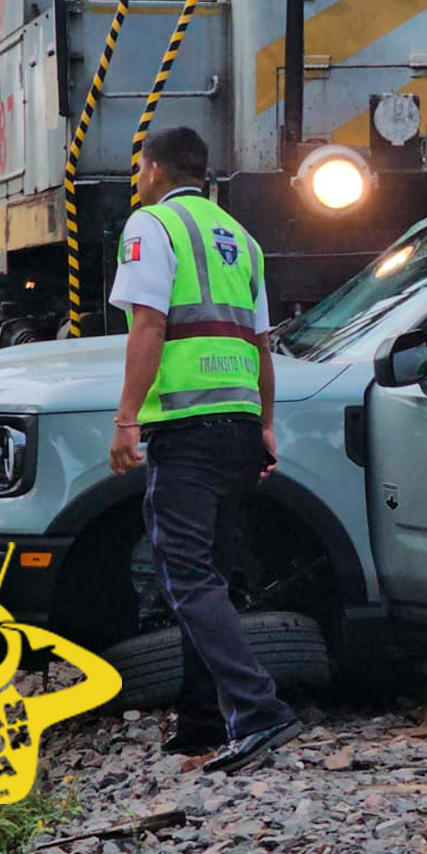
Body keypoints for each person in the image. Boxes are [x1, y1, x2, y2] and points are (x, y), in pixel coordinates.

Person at [107, 126, 301, 773]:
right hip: (239, 428)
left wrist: (126, 419)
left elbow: (149, 323)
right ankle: (200, 723)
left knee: (185, 575)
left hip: (186, 429)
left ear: (155, 169)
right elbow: (260, 344)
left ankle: (258, 710)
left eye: (140, 168)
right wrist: (265, 426)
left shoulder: (152, 226)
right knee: (207, 578)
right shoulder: (238, 238)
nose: (138, 178)